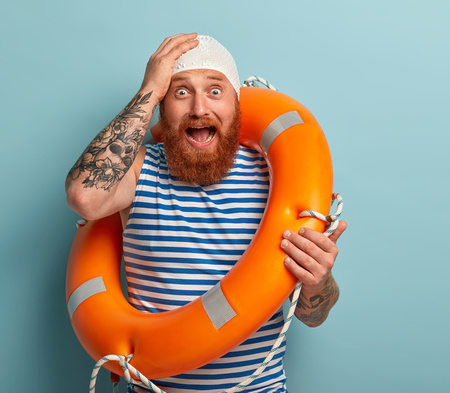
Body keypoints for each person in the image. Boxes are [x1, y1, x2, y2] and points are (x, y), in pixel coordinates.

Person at [65, 33, 347, 393]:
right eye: (180, 92)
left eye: (215, 91)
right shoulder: (138, 173)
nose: (199, 108)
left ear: (238, 105)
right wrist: (150, 87)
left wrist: (318, 283)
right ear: (162, 106)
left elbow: (314, 316)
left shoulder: (275, 177)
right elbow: (83, 196)